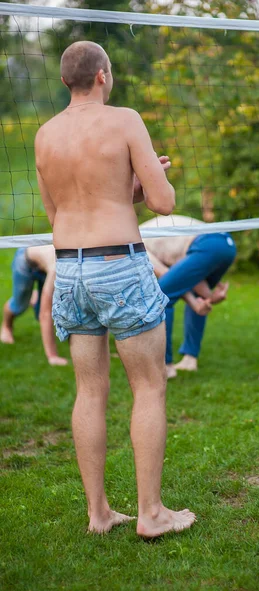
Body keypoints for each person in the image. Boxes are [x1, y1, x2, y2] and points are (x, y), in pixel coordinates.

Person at [34, 40, 196, 536]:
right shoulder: (125, 119)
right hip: (118, 266)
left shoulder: (44, 135)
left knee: (89, 391)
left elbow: (57, 214)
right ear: (103, 75)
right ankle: (151, 515)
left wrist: (123, 192)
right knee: (148, 386)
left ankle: (98, 513)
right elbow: (164, 203)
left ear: (66, 82)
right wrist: (148, 186)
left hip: (70, 268)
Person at [141, 215, 237, 379]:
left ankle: (167, 366)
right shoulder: (141, 231)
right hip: (226, 244)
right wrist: (208, 296)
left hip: (206, 243)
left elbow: (166, 276)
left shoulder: (135, 244)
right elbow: (183, 279)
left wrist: (194, 303)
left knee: (161, 297)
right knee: (195, 295)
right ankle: (190, 360)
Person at [0, 245, 68, 366]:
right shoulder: (58, 267)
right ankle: (6, 327)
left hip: (46, 266)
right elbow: (45, 314)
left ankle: (36, 296)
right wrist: (52, 356)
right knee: (19, 305)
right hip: (26, 261)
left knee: (39, 313)